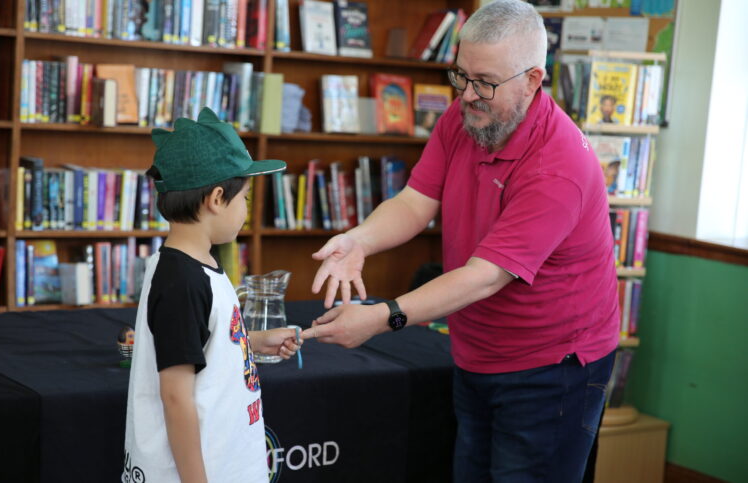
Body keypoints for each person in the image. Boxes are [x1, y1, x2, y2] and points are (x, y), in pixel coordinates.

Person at [301, 1, 619, 481]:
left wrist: (383, 317)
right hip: (477, 351)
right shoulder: (465, 117)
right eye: (461, 75)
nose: (469, 94)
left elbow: (484, 278)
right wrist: (359, 240)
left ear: (533, 80)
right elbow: (413, 202)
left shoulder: (559, 167)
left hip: (553, 365)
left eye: (485, 82)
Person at [122, 108, 302, 483]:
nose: (246, 211)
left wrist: (252, 342)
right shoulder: (181, 281)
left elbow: (198, 345)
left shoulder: (198, 265)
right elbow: (175, 397)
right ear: (217, 198)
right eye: (245, 200)